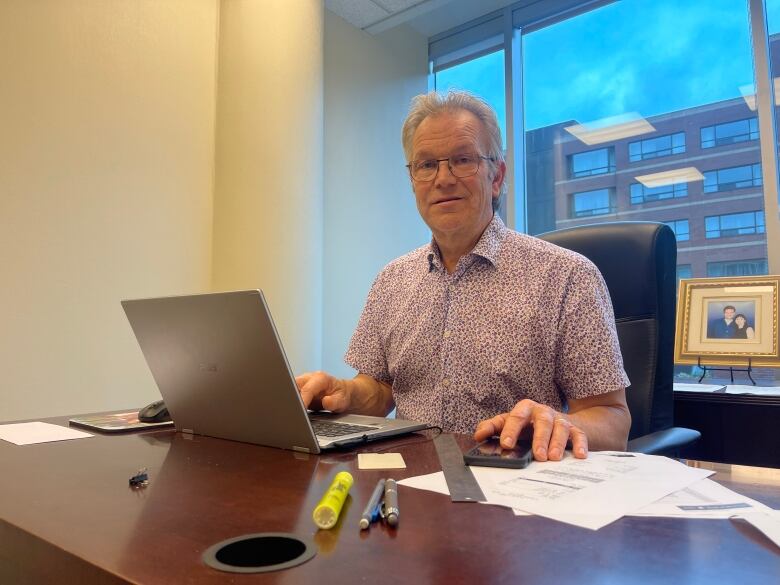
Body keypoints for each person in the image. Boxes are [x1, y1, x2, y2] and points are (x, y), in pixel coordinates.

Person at [296, 91, 631, 462]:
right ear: (413, 181)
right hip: (409, 483)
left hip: (515, 487)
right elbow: (380, 390)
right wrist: (343, 393)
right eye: (426, 165)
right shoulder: (390, 281)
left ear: (497, 175)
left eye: (462, 160)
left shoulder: (567, 276)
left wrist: (560, 423)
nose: (443, 178)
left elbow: (613, 420)